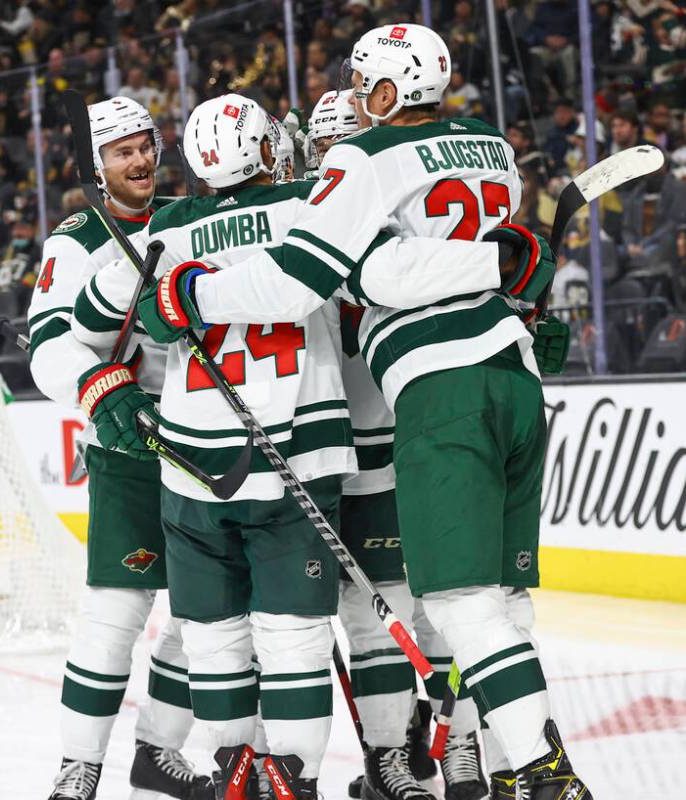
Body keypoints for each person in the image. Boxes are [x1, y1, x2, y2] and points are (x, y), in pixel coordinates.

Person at [150, 24, 579, 800]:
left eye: (359, 83)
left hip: (427, 395)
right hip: (510, 374)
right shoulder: (491, 145)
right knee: (495, 601)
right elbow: (487, 254)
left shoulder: (356, 165)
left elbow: (312, 283)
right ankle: (507, 770)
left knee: (454, 602)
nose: (350, 95)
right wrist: (514, 272)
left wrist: (194, 293)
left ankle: (538, 776)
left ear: (386, 94)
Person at [303, 89, 490, 800]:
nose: (331, 160)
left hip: (404, 427)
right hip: (372, 440)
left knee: (437, 600)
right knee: (399, 605)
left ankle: (450, 747)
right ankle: (411, 755)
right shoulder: (369, 214)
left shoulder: (322, 219)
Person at [28, 96, 212, 800]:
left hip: (204, 442)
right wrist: (101, 391)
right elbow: (48, 345)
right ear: (96, 167)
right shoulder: (76, 240)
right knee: (116, 613)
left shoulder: (192, 219)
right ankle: (78, 768)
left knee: (207, 613)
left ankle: (159, 751)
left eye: (145, 146)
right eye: (121, 151)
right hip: (128, 449)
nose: (139, 160)